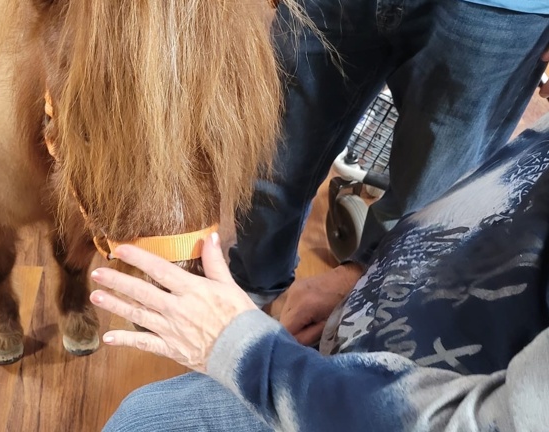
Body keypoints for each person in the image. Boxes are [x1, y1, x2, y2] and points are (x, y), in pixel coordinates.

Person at [91, 116, 549, 431]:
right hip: (338, 355)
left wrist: (245, 352)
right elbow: (498, 215)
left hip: (357, 404)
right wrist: (360, 274)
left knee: (146, 420)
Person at [228, 0, 549, 347]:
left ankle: (354, 330)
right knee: (274, 162)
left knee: (429, 209)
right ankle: (250, 291)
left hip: (501, 12)